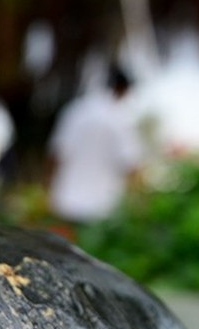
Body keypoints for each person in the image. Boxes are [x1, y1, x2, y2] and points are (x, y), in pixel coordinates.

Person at [46, 64, 142, 229]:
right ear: (121, 89)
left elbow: (55, 154)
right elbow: (131, 165)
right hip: (102, 209)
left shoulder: (75, 110)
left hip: (65, 203)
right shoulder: (120, 117)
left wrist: (48, 190)